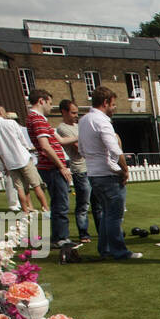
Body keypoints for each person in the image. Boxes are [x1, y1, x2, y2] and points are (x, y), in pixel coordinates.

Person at [78, 86, 140, 261]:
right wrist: (124, 169)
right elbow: (114, 148)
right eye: (113, 105)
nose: (114, 108)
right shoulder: (102, 121)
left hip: (93, 174)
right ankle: (120, 252)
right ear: (105, 103)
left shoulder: (83, 121)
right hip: (108, 174)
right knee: (114, 215)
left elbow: (82, 149)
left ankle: (105, 249)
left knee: (106, 213)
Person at [26, 90, 78, 253]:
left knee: (58, 203)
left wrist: (81, 135)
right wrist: (61, 166)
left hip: (51, 166)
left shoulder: (41, 120)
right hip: (52, 167)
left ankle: (59, 236)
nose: (50, 107)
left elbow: (60, 140)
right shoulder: (37, 119)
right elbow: (45, 145)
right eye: (49, 103)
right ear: (41, 101)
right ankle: (61, 238)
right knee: (61, 203)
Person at [0, 105, 46, 214]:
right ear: (0, 111)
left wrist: (5, 164)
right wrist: (27, 149)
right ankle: (45, 208)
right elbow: (22, 140)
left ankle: (25, 210)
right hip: (22, 157)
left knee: (20, 188)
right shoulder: (11, 123)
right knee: (36, 184)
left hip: (10, 162)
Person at [54, 100, 91, 245]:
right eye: (73, 112)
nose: (76, 115)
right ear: (64, 112)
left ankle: (102, 231)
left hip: (91, 168)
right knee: (83, 204)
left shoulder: (79, 126)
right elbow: (79, 148)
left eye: (77, 112)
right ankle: (83, 233)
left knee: (97, 203)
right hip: (80, 170)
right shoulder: (62, 129)